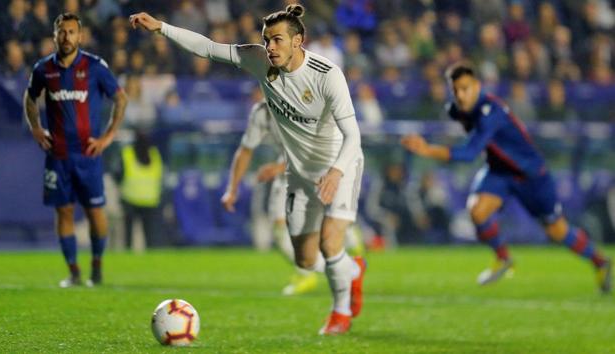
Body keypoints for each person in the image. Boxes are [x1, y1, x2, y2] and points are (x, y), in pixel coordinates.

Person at [130, 4, 367, 335]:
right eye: (267, 40)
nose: (270, 47)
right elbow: (209, 48)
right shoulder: (259, 61)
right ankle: (353, 271)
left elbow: (353, 136)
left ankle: (340, 313)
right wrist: (161, 28)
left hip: (341, 164)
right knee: (305, 259)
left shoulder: (327, 75)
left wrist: (338, 172)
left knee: (330, 243)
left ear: (299, 40)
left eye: (278, 40)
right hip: (300, 172)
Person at [401, 63, 612, 294]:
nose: (460, 95)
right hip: (499, 171)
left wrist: (428, 149)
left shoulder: (491, 112)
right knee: (477, 211)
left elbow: (470, 153)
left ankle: (601, 263)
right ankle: (503, 259)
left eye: (465, 89)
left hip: (530, 175)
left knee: (556, 230)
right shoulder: (458, 109)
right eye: (456, 90)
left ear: (477, 87)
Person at [23, 13, 128, 288]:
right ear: (54, 35)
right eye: (62, 31)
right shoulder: (44, 69)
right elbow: (30, 97)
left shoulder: (94, 67)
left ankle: (97, 267)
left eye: (71, 32)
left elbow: (120, 98)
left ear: (80, 36)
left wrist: (108, 136)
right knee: (64, 213)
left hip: (88, 155)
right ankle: (73, 272)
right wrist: (35, 127)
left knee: (95, 213)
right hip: (57, 155)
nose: (66, 36)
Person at [221, 99, 365, 296]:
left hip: (322, 161)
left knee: (325, 218)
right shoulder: (261, 112)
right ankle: (319, 271)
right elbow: (246, 149)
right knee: (280, 226)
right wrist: (232, 188)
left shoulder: (304, 105)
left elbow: (315, 145)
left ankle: (349, 242)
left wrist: (278, 168)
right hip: (289, 166)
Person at [115, 130, 164, 249]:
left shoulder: (127, 154)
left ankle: (128, 254)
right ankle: (151, 257)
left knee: (128, 235)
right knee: (151, 236)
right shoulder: (155, 154)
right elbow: (160, 176)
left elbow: (118, 175)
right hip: (151, 199)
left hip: (130, 198)